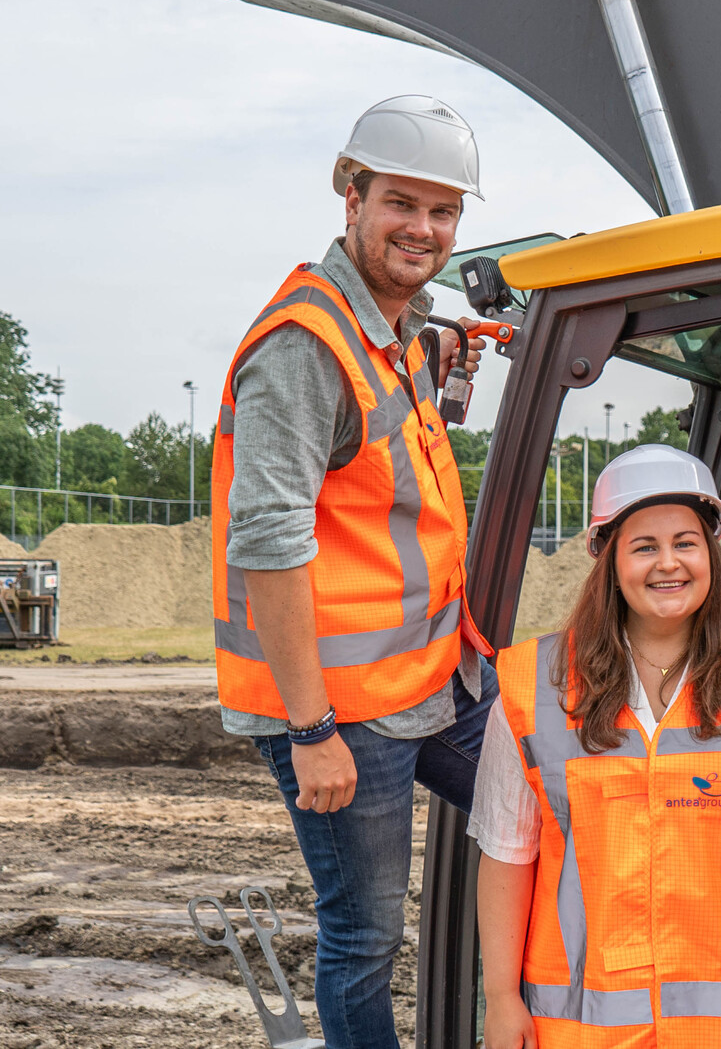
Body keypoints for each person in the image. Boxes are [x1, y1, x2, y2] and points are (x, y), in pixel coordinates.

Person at [210, 94, 496, 1049]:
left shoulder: (389, 326)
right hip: (340, 709)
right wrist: (311, 729)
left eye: (443, 211)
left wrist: (440, 339)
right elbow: (270, 543)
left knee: (550, 796)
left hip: (432, 679)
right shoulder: (304, 346)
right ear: (351, 196)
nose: (423, 227)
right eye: (401, 203)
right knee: (365, 937)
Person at [469, 444, 721, 1049]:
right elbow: (506, 854)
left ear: (711, 552)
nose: (669, 564)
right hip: (584, 1033)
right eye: (644, 546)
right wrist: (500, 1000)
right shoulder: (534, 688)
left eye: (686, 542)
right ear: (606, 558)